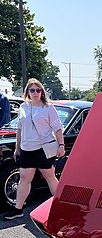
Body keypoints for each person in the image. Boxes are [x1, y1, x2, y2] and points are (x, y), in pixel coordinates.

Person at [3, 79, 65, 220]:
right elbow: (20, 129)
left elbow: (58, 128)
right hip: (26, 149)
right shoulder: (24, 107)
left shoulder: (48, 107)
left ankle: (59, 207)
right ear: (28, 92)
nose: (36, 92)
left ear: (42, 92)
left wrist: (61, 145)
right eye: (32, 90)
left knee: (50, 177)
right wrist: (17, 148)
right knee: (24, 179)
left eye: (38, 90)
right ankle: (18, 209)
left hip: (42, 149)